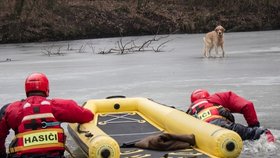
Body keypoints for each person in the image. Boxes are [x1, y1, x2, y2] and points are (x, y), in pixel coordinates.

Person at [0, 73, 94, 158]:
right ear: (46, 89)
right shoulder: (58, 105)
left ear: (27, 89)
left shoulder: (11, 109)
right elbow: (87, 115)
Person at [186, 89, 275, 142]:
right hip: (224, 125)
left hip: (205, 133)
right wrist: (254, 127)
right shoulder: (215, 98)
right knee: (261, 133)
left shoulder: (190, 111)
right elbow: (247, 105)